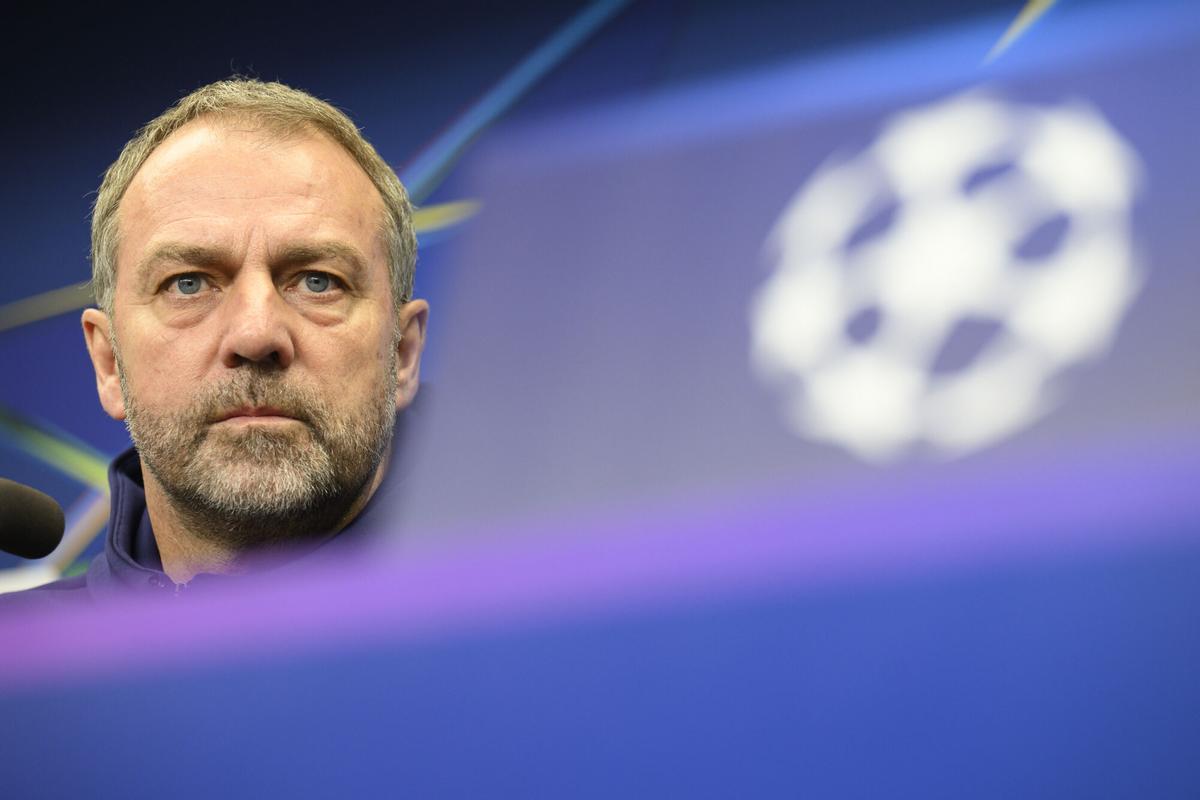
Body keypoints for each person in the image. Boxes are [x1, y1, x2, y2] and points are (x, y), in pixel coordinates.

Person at [1, 78, 428, 605]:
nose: (255, 334)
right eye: (188, 284)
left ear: (403, 354)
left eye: (318, 281)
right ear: (108, 362)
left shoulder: (516, 627)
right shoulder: (18, 651)